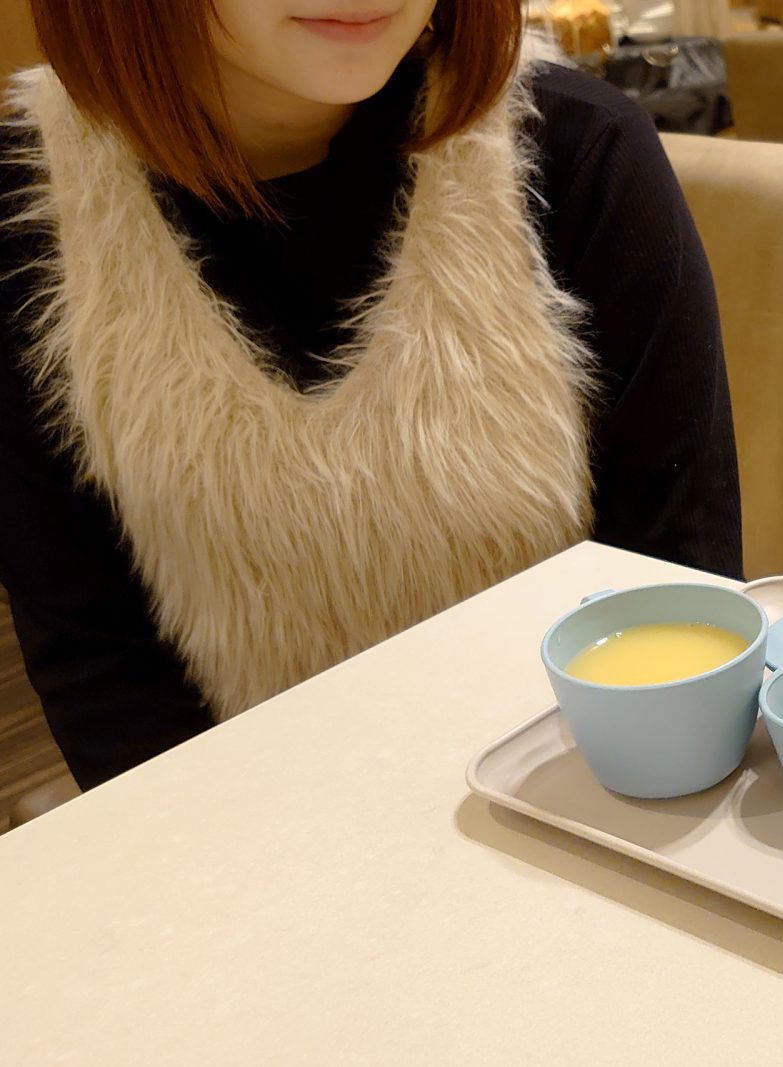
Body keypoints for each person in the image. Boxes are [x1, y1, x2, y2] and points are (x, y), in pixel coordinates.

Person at [0, 1, 742, 789]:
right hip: (243, 854)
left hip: (592, 818)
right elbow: (106, 684)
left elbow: (678, 597)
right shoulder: (34, 212)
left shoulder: (578, 152)